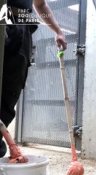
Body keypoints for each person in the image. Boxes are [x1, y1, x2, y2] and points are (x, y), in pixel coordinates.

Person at [0, 0, 67, 157]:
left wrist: (58, 30)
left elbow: (40, 5)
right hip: (2, 17)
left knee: (9, 97)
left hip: (22, 26)